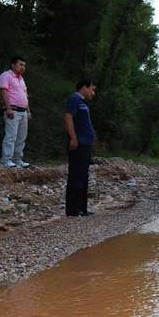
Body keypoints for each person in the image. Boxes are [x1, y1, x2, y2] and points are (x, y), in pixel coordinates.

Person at [64, 80, 97, 217]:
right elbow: (68, 117)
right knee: (76, 176)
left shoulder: (83, 102)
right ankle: (72, 210)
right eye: (92, 89)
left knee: (83, 176)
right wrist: (73, 138)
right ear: (85, 87)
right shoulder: (74, 99)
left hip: (86, 144)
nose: (93, 93)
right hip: (79, 144)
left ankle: (82, 208)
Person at [0, 55, 31, 167]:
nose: (23, 67)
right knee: (11, 135)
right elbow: (4, 92)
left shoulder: (21, 79)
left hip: (23, 111)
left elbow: (25, 95)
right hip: (13, 110)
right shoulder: (6, 75)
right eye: (20, 64)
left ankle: (17, 159)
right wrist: (8, 108)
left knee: (22, 137)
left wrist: (28, 111)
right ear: (13, 65)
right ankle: (6, 159)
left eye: (24, 65)